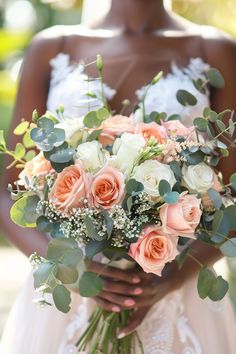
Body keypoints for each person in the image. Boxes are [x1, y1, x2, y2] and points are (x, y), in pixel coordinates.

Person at [1, 0, 236, 353]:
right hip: (68, 297)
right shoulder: (53, 47)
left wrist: (170, 278)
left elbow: (232, 196)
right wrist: (74, 272)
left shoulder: (214, 49)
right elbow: (8, 192)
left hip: (177, 294)